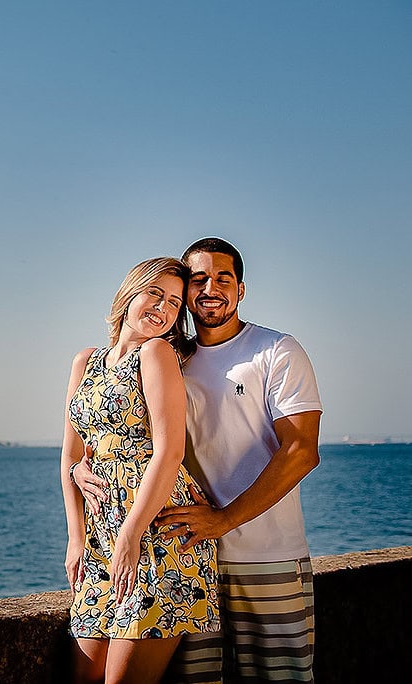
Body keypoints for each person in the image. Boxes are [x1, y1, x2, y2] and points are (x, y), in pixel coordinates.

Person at [73, 238, 322, 683]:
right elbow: (119, 435)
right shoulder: (172, 355)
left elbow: (301, 451)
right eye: (198, 280)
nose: (210, 288)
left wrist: (224, 520)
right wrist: (79, 466)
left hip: (265, 553)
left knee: (279, 677)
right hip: (185, 545)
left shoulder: (276, 350)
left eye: (223, 278)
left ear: (241, 289)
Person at [61, 257, 220, 684]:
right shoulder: (86, 361)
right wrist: (76, 538)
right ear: (130, 291)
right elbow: (69, 456)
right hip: (100, 537)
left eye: (174, 302)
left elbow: (169, 452)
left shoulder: (156, 352)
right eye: (155, 293)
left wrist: (131, 535)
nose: (163, 308)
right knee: (84, 678)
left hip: (155, 533)